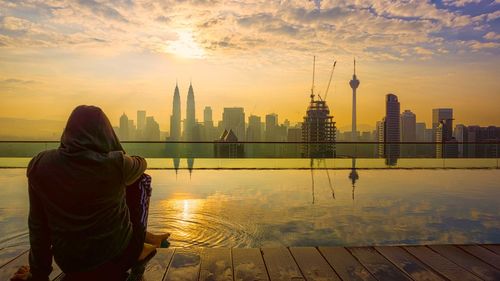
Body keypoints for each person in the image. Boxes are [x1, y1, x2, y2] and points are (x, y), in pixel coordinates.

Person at [11, 105, 170, 281]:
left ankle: (146, 238)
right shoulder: (116, 164)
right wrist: (116, 151)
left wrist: (37, 275)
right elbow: (142, 163)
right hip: (117, 259)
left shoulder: (40, 165)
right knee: (141, 180)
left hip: (70, 264)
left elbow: (38, 227)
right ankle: (140, 246)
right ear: (106, 132)